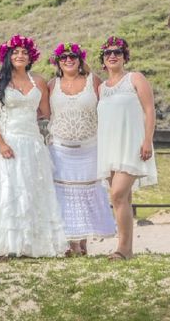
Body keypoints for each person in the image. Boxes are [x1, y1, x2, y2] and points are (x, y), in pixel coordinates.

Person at [0, 35, 67, 259]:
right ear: (8, 56)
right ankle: (1, 245)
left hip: (32, 143)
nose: (20, 55)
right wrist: (1, 143)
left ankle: (29, 245)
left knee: (31, 191)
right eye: (16, 52)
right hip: (7, 142)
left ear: (31, 57)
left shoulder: (38, 82)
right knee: (6, 192)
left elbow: (45, 112)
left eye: (24, 52)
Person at [47, 42, 116, 256]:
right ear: (58, 62)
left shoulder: (93, 81)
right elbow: (41, 112)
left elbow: (109, 107)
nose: (68, 60)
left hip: (89, 147)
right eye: (64, 57)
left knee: (86, 193)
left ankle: (83, 239)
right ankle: (71, 243)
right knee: (64, 196)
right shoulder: (51, 85)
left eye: (73, 56)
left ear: (80, 59)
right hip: (60, 148)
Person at [97, 36, 157, 261]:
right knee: (124, 199)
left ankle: (121, 249)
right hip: (111, 148)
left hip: (132, 145)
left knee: (117, 194)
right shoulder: (102, 88)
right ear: (103, 60)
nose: (113, 56)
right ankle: (128, 249)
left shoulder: (135, 78)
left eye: (118, 52)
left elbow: (149, 110)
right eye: (108, 53)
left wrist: (147, 140)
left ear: (124, 57)